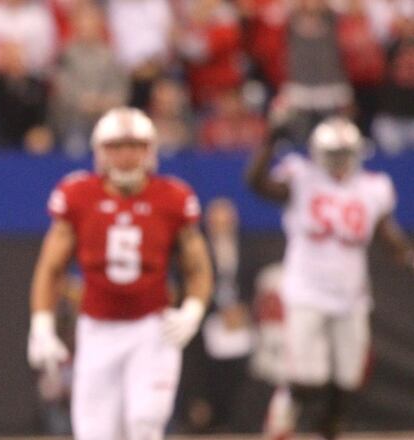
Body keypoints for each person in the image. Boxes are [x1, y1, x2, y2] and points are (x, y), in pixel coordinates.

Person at [27, 106, 214, 440]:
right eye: (117, 147)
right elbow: (51, 267)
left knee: (144, 424)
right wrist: (42, 322)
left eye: (135, 146)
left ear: (150, 150)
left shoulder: (172, 197)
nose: (126, 156)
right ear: (101, 152)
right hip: (97, 327)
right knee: (95, 432)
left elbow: (197, 266)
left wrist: (193, 309)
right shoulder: (78, 194)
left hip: (152, 328)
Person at [245, 116, 414, 440]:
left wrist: (407, 255)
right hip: (306, 289)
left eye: (343, 153)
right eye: (332, 154)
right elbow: (257, 184)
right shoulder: (301, 177)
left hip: (351, 292)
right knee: (309, 376)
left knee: (348, 377)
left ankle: (330, 430)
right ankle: (285, 406)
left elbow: (384, 233)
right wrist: (268, 143)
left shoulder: (373, 187)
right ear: (317, 153)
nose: (338, 162)